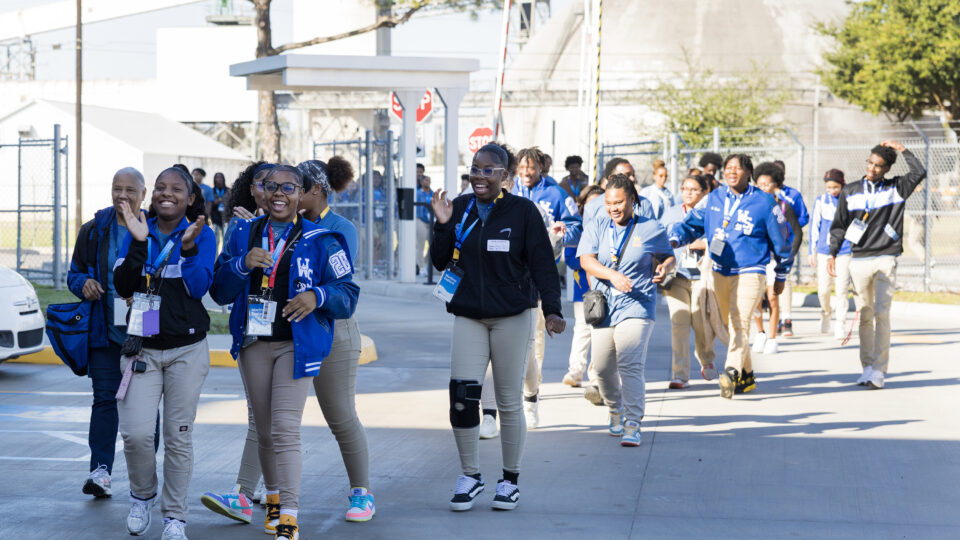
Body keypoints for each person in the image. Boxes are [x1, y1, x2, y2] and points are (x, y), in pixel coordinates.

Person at [209, 165, 360, 540]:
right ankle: (273, 500)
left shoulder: (322, 238)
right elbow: (219, 291)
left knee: (285, 429)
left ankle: (289, 515)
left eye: (289, 187)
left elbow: (347, 293)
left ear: (301, 194)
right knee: (263, 431)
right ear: (259, 190)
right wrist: (242, 264)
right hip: (253, 343)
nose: (279, 193)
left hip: (297, 344)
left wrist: (316, 296)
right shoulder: (242, 232)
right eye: (271, 186)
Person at [430, 142, 565, 512]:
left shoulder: (522, 212)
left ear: (505, 176)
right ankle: (470, 476)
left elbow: (543, 265)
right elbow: (440, 261)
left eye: (488, 170)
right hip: (468, 315)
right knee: (462, 397)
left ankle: (510, 481)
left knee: (508, 401)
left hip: (512, 316)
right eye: (475, 168)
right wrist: (443, 225)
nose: (479, 176)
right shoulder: (458, 207)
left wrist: (552, 310)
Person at [113, 166, 215, 540]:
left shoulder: (202, 234)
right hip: (143, 348)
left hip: (187, 350)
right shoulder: (138, 227)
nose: (165, 193)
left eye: (176, 189)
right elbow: (123, 286)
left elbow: (199, 287)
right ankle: (142, 496)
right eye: (159, 187)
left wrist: (188, 249)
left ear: (190, 198)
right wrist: (139, 243)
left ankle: (175, 517)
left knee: (178, 437)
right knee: (136, 434)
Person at [67, 167, 160, 499]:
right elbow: (74, 274)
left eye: (130, 190)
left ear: (143, 194)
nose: (122, 195)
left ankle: (145, 475)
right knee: (104, 400)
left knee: (146, 405)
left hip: (147, 329)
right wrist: (83, 283)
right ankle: (100, 471)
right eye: (116, 188)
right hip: (104, 333)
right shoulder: (95, 229)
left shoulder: (156, 228)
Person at [669, 154, 794, 399]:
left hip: (751, 270)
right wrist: (676, 238)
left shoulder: (765, 202)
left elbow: (782, 240)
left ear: (749, 173)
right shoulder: (713, 198)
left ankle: (732, 370)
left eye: (738, 168)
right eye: (728, 168)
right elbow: (692, 223)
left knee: (740, 321)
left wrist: (781, 274)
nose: (732, 172)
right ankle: (746, 376)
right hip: (720, 270)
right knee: (730, 323)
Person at [298, 157, 375, 522]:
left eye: (295, 188)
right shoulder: (283, 224)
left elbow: (337, 282)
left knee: (341, 416)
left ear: (316, 190)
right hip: (292, 329)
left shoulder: (341, 228)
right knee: (271, 417)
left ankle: (362, 493)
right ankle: (248, 491)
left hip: (333, 328)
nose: (287, 194)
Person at [577, 174, 675, 446]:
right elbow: (586, 260)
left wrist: (664, 268)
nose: (614, 208)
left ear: (632, 200)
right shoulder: (597, 225)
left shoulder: (650, 227)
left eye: (619, 202)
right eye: (609, 203)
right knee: (602, 367)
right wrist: (612, 275)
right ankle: (615, 409)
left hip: (637, 303)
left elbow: (668, 255)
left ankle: (633, 422)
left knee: (629, 362)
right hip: (604, 306)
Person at [828, 141, 926, 389]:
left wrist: (903, 150)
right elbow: (839, 225)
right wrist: (832, 253)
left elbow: (919, 172)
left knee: (882, 313)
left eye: (878, 166)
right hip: (859, 259)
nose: (872, 168)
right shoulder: (850, 191)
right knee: (865, 315)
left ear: (887, 169)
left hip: (886, 257)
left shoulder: (897, 188)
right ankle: (867, 367)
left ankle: (879, 370)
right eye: (870, 163)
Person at [511, 146, 582, 428]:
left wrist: (562, 231)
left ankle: (532, 389)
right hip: (510, 276)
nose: (526, 172)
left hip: (540, 274)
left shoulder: (556, 194)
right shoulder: (507, 191)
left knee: (535, 336)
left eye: (531, 167)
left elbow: (576, 226)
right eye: (522, 167)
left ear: (541, 168)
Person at [659, 174, 718, 388]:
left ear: (704, 193)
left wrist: (705, 245)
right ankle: (680, 374)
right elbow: (659, 239)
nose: (688, 193)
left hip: (702, 276)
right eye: (684, 188)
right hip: (676, 277)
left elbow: (723, 241)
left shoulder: (713, 213)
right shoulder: (671, 213)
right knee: (679, 323)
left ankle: (706, 358)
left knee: (702, 322)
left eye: (694, 189)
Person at [750, 162, 803, 356]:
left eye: (767, 184)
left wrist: (788, 255)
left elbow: (797, 232)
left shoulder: (783, 206)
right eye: (760, 184)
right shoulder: (751, 206)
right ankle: (760, 333)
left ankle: (772, 338)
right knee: (755, 299)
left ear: (776, 185)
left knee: (772, 298)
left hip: (774, 260)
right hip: (755, 260)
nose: (763, 187)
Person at [562, 185, 605, 388]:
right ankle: (576, 370)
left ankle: (596, 374)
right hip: (584, 289)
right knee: (582, 329)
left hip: (605, 286)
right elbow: (570, 258)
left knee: (600, 331)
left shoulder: (611, 228)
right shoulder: (577, 229)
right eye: (591, 203)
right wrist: (591, 262)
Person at [809, 169, 852, 338]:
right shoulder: (821, 201)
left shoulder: (848, 200)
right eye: (828, 187)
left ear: (842, 185)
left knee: (841, 288)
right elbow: (814, 226)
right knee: (823, 290)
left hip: (844, 250)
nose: (832, 191)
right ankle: (826, 312)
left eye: (835, 187)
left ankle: (840, 322)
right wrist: (812, 250)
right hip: (824, 251)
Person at [771, 160, 809, 337]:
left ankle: (786, 319)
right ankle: (775, 319)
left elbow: (803, 217)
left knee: (785, 279)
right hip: (769, 248)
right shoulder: (763, 194)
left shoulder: (792, 195)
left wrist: (788, 225)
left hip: (787, 244)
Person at [416, 163, 433, 276]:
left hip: (430, 221)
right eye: (426, 180)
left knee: (432, 244)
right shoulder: (418, 193)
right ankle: (421, 266)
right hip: (420, 220)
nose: (428, 182)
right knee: (420, 244)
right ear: (422, 182)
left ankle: (426, 263)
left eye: (429, 180)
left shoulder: (432, 193)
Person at [210, 172, 229, 251]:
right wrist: (215, 203)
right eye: (217, 177)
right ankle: (215, 257)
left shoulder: (228, 190)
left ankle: (225, 256)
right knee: (215, 240)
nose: (219, 179)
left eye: (221, 177)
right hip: (215, 218)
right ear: (214, 179)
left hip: (226, 218)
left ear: (223, 179)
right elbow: (209, 205)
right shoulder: (212, 191)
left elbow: (232, 203)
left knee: (226, 240)